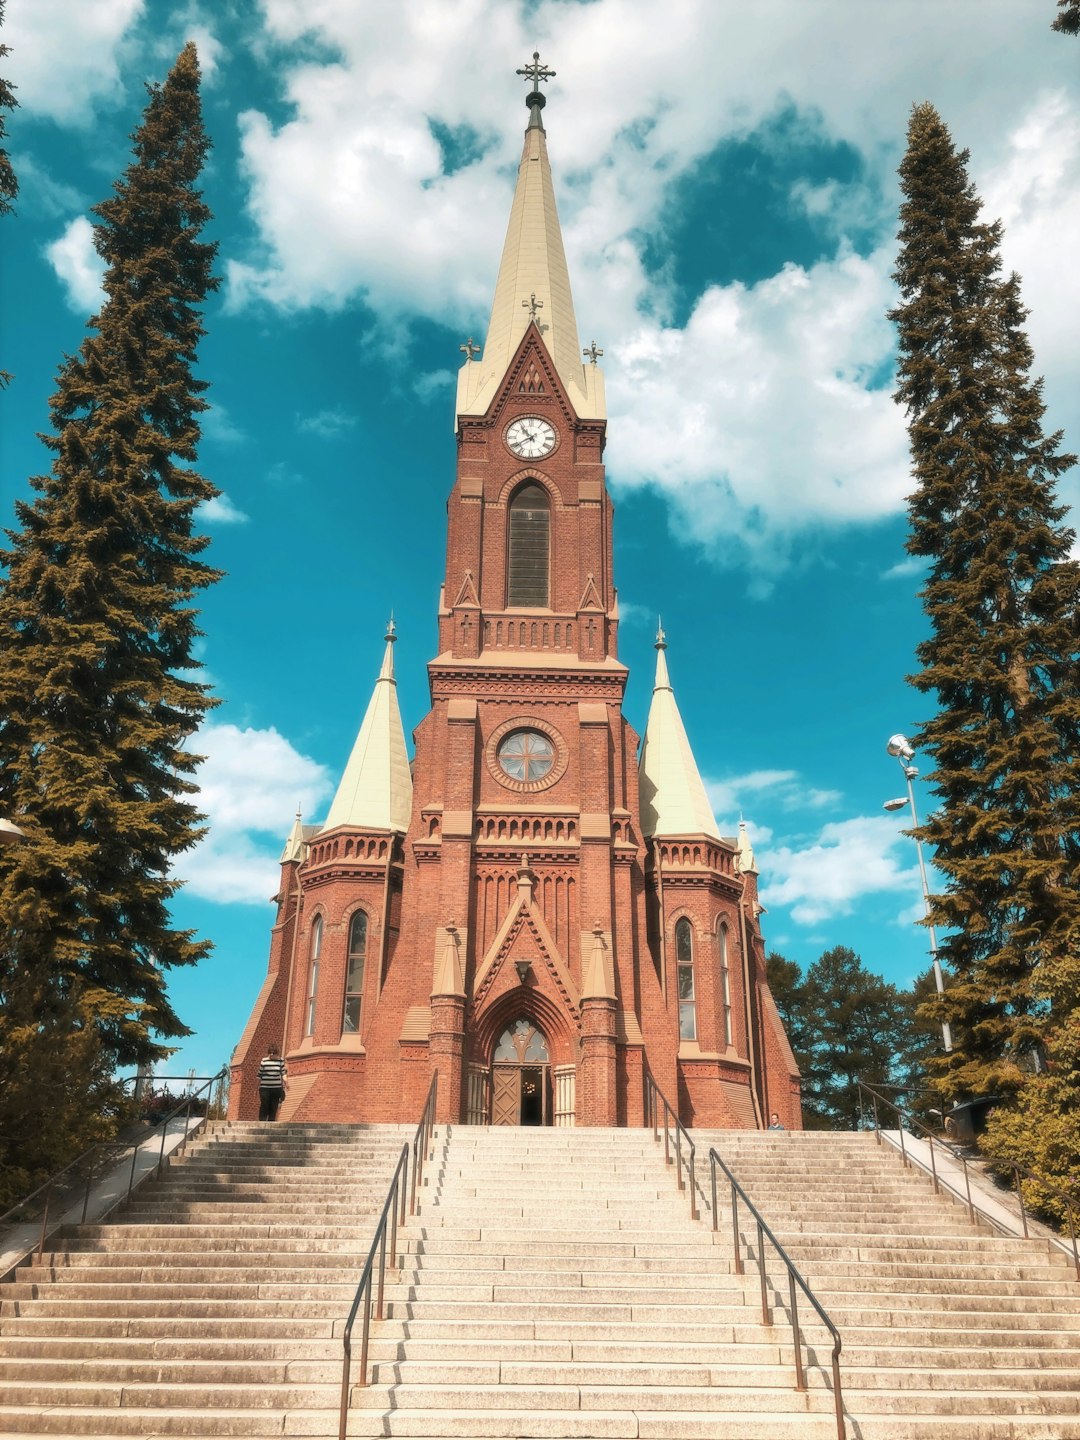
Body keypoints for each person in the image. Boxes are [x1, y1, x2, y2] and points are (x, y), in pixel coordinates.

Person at [258, 1044, 288, 1121]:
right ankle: (262, 1121)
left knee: (274, 1106)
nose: (271, 1054)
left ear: (276, 1053)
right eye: (270, 1052)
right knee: (264, 1104)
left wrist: (286, 1083)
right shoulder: (264, 1061)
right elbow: (260, 1074)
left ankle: (271, 1121)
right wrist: (256, 1087)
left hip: (276, 1088)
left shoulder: (280, 1061)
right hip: (265, 1088)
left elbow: (283, 1073)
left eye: (273, 1053)